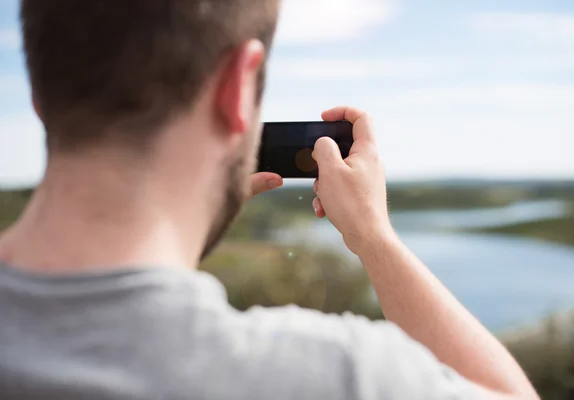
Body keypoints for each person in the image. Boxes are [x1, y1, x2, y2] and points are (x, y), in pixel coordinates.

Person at [0, 1, 539, 399]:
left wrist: (191, 211)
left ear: (40, 96)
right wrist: (375, 238)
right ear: (238, 87)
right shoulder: (332, 376)